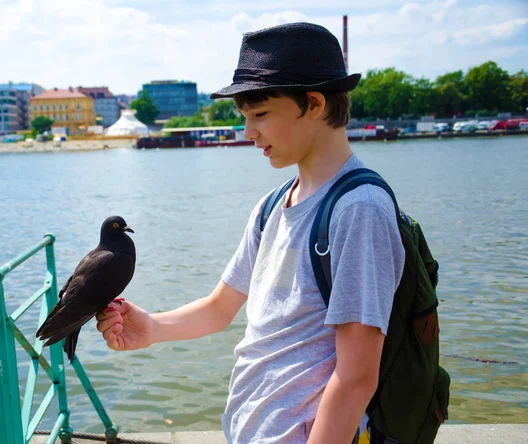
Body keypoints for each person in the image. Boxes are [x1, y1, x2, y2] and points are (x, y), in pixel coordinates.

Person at [96, 22, 404, 444]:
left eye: (260, 114)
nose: (248, 132)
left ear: (313, 103)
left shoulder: (358, 209)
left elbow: (355, 378)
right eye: (245, 117)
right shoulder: (273, 206)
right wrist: (151, 328)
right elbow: (221, 308)